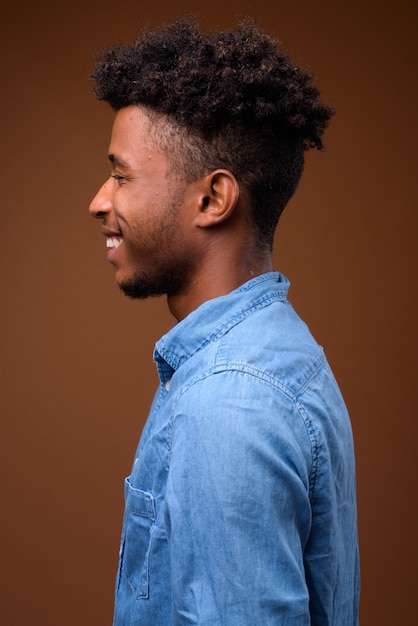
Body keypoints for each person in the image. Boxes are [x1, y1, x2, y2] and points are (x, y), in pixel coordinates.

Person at [89, 18, 360, 625]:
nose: (99, 201)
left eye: (122, 175)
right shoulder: (282, 352)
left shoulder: (230, 402)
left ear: (213, 199)